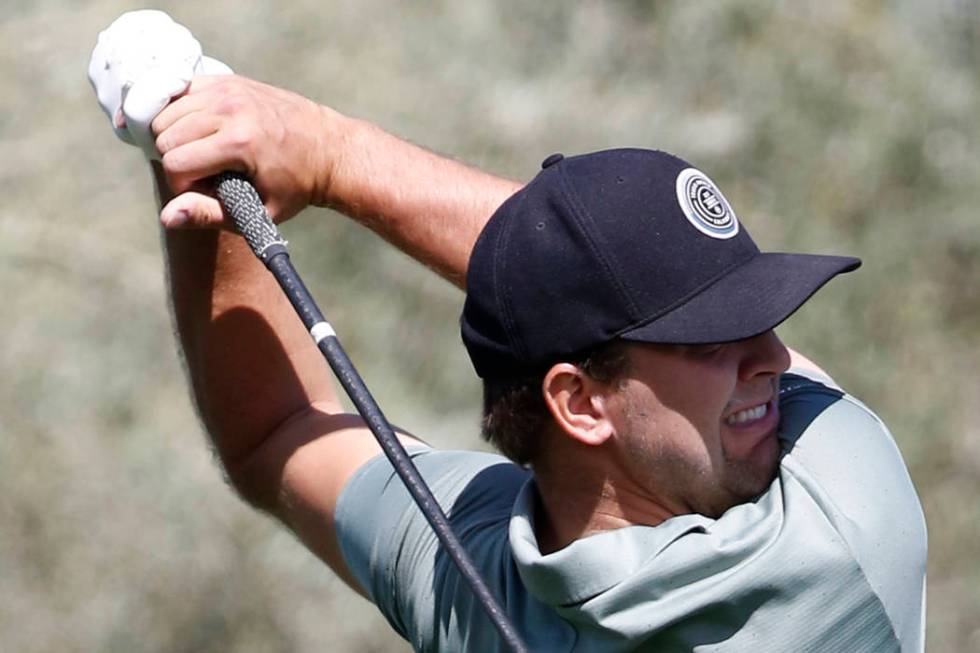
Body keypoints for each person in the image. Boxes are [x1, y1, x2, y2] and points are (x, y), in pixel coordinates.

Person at [90, 12, 927, 652]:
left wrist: (234, 150)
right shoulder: (839, 513)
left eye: (761, 323)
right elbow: (278, 429)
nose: (776, 359)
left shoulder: (472, 572)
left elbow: (275, 432)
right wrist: (298, 153)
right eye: (711, 339)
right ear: (579, 400)